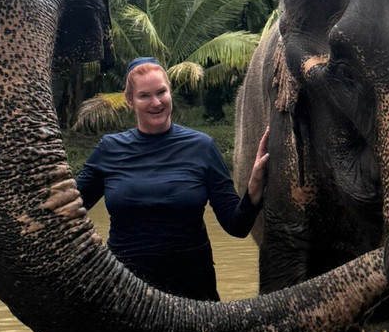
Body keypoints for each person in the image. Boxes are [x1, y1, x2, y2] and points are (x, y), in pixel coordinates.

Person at [75, 56, 270, 301]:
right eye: (144, 95)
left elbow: (236, 226)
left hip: (193, 296)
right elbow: (69, 209)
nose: (156, 103)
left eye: (161, 92)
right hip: (126, 297)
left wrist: (253, 192)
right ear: (130, 100)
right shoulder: (109, 149)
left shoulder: (201, 147)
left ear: (170, 92)